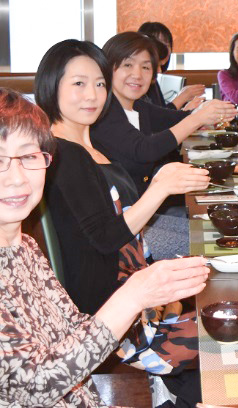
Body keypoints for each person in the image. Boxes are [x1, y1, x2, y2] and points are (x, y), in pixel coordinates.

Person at [0, 87, 209, 406]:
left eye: (29, 156)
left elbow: (74, 328)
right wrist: (134, 296)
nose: (16, 178)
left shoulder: (23, 245)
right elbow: (33, 387)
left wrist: (150, 300)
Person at [90, 32, 237, 194]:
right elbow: (144, 149)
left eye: (145, 67)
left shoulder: (138, 106)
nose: (137, 75)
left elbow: (174, 118)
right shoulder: (104, 112)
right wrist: (197, 118)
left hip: (144, 203)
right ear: (107, 68)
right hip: (126, 214)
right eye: (127, 65)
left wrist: (210, 114)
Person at [138, 21, 205, 110]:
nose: (162, 49)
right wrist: (183, 97)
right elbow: (158, 118)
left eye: (166, 45)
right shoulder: (138, 83)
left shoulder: (153, 80)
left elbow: (160, 114)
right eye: (157, 43)